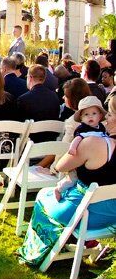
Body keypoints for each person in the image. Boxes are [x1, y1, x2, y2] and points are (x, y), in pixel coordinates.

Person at [17, 96, 116, 266]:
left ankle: (39, 251)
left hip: (87, 215)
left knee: (43, 196)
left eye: (109, 114)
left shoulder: (92, 142)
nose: (106, 118)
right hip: (113, 215)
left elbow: (61, 166)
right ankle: (72, 243)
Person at [17, 65, 61, 142]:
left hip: (30, 143)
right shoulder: (54, 96)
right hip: (50, 142)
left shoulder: (23, 99)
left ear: (30, 78)